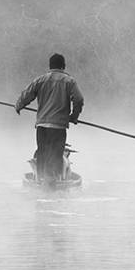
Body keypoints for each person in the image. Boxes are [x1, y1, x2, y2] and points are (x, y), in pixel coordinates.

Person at [15, 52, 85, 182]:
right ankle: (55, 181)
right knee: (56, 155)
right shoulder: (69, 81)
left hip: (42, 126)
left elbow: (26, 95)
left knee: (42, 153)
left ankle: (41, 180)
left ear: (50, 66)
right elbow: (79, 99)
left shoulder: (40, 80)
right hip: (58, 126)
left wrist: (19, 105)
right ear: (63, 66)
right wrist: (74, 116)